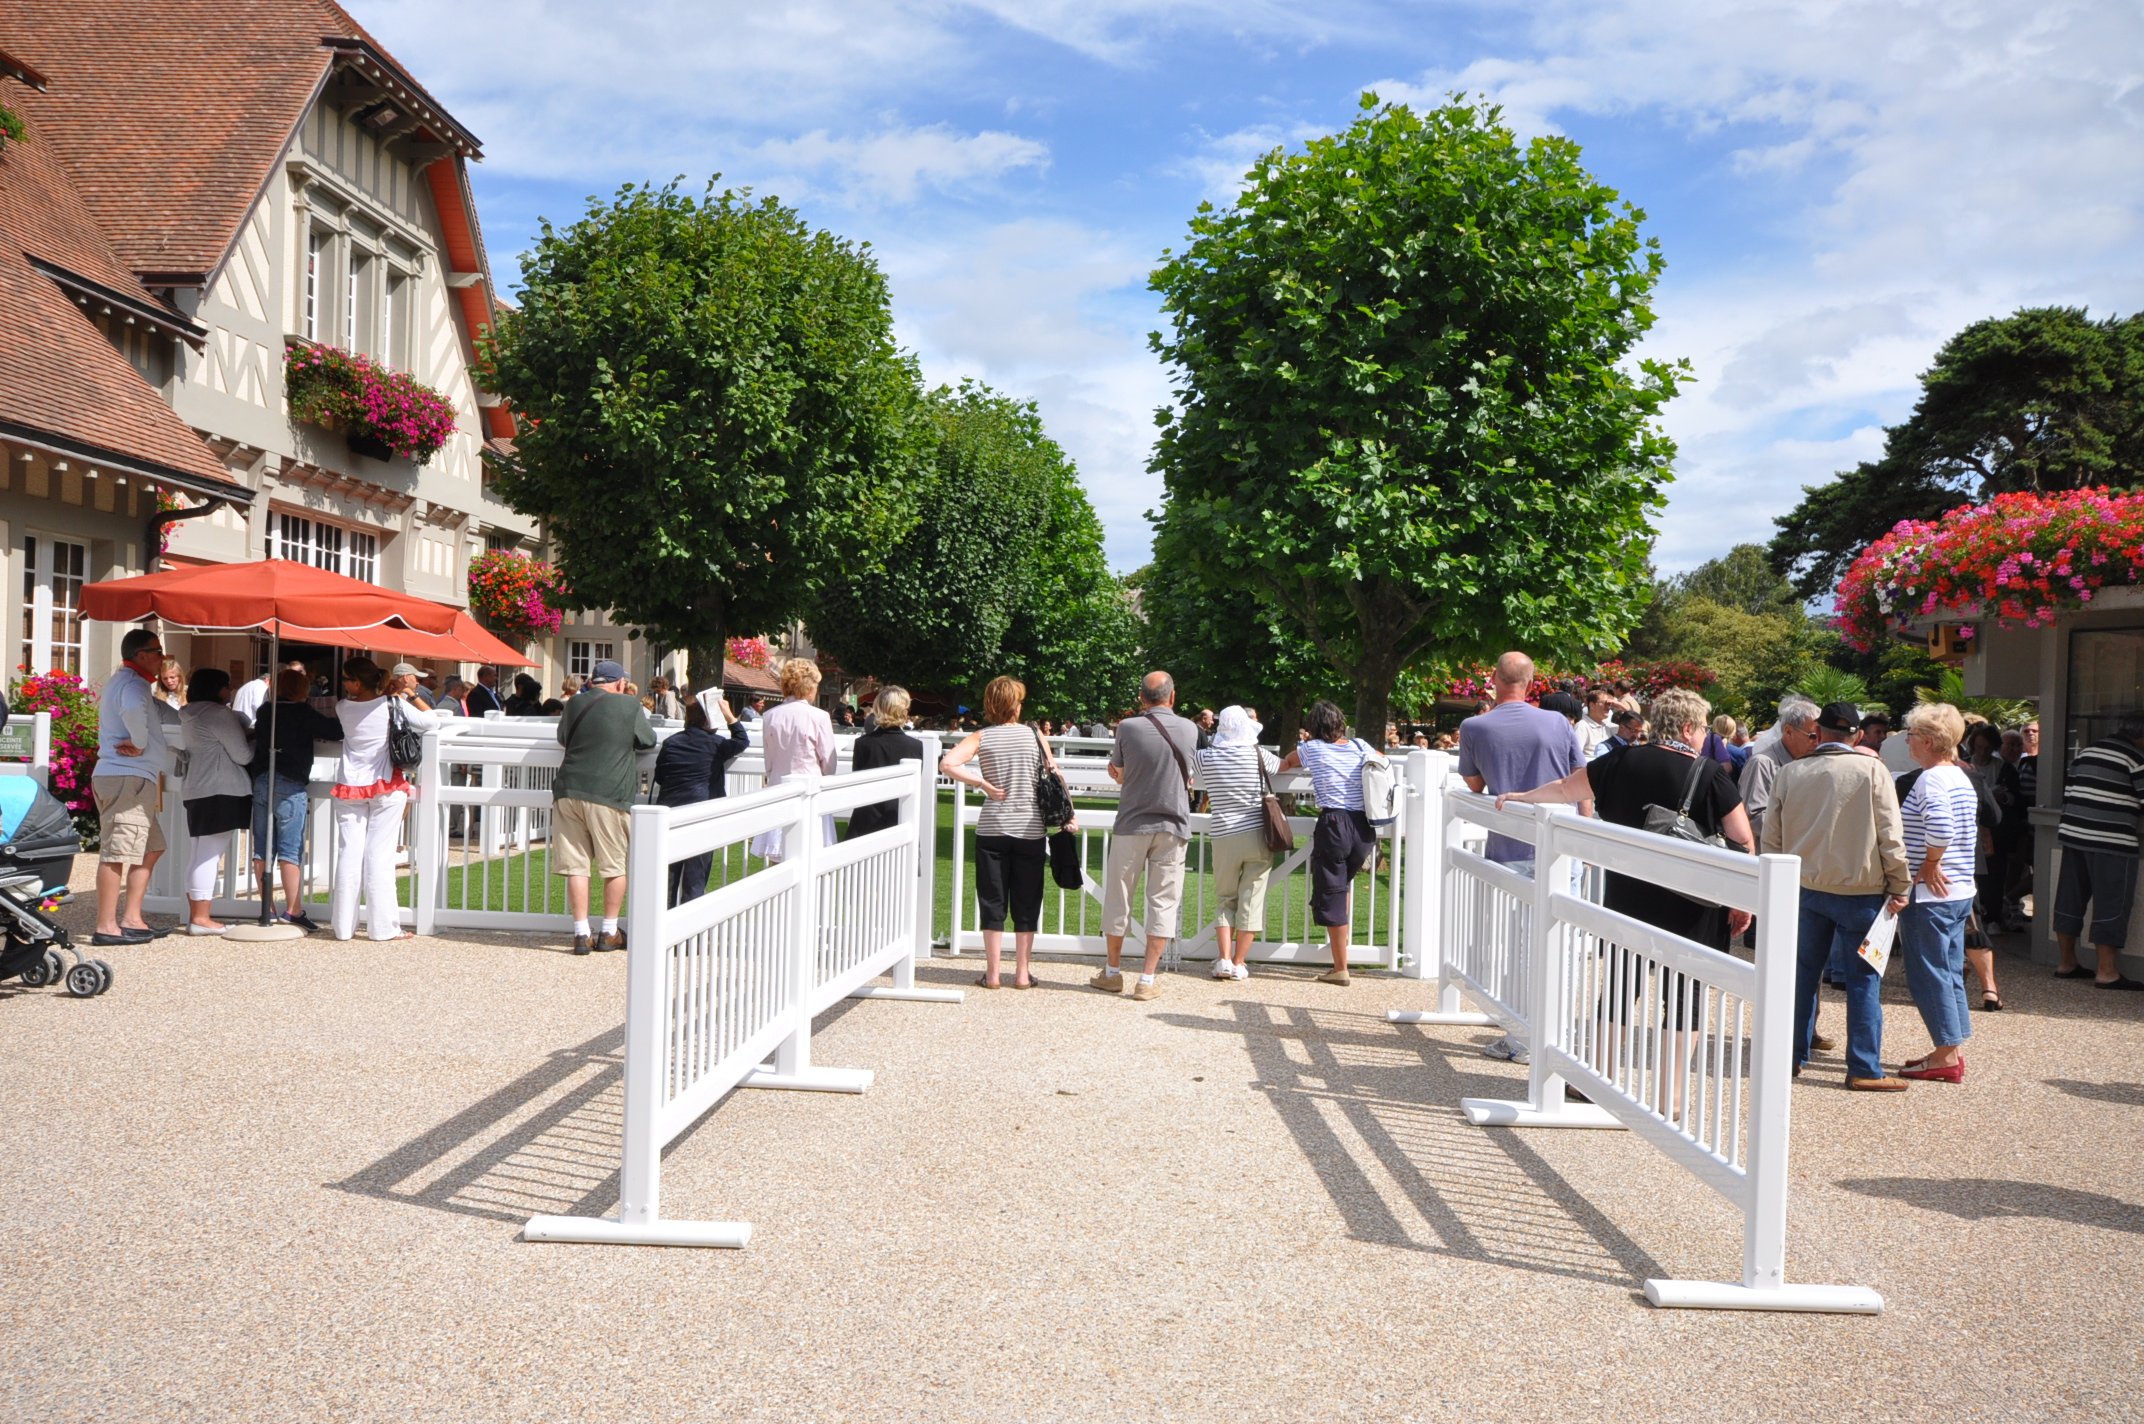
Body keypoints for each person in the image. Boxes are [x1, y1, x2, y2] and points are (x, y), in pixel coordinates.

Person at [1497, 688, 1754, 1117]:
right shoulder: (1710, 775)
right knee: (1685, 994)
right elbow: (1743, 839)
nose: (1703, 736)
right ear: (1688, 727)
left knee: (1619, 986)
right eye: (1702, 728)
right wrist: (1741, 899)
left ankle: (1595, 1078)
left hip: (1628, 894)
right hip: (1693, 903)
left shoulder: (1619, 760)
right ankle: (1670, 1097)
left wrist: (1521, 796)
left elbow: (1565, 790)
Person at [1763, 700, 1911, 1091]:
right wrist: (1900, 884)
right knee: (1863, 980)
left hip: (1805, 888)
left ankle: (1788, 1056)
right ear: (1858, 735)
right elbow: (1890, 836)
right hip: (1860, 890)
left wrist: (1777, 885)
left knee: (1801, 975)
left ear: (1819, 733)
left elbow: (1772, 838)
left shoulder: (1790, 773)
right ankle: (1863, 1066)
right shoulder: (1872, 771)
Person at [1453, 652, 1584, 1049]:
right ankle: (1556, 1037)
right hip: (1563, 845)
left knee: (1519, 948)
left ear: (1494, 679)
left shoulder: (1474, 726)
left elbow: (1475, 786)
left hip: (1509, 848)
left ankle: (1523, 1038)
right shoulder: (1559, 722)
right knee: (1562, 945)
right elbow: (1581, 780)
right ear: (1532, 682)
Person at [941, 677, 1067, 990]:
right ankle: (1022, 974)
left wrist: (982, 784)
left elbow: (948, 763)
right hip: (1030, 827)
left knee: (992, 900)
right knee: (1027, 901)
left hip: (993, 827)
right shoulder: (1035, 734)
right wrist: (1069, 814)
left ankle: (994, 974)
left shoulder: (981, 737)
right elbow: (1054, 774)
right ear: (1015, 705)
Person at [1089, 671, 1198, 1001]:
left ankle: (1112, 972)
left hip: (1133, 823)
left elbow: (1120, 774)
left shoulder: (1128, 727)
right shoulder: (1190, 729)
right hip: (1173, 824)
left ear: (1141, 698)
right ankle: (1147, 979)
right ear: (1172, 696)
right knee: (1163, 901)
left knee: (1119, 897)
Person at [1893, 703, 1982, 1082]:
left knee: (1929, 973)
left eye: (1912, 735)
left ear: (1928, 741)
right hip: (1959, 890)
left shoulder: (1931, 780)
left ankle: (1946, 1054)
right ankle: (1950, 1047)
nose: (1908, 742)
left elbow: (1942, 829)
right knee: (1948, 970)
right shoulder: (1959, 776)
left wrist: (1929, 863)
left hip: (1932, 895)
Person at [550, 658, 656, 953]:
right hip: (608, 793)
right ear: (620, 683)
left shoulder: (573, 704)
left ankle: (581, 934)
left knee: (576, 866)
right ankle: (609, 932)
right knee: (613, 866)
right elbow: (647, 740)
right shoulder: (629, 705)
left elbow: (562, 738)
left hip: (568, 789)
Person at [329, 656, 438, 943]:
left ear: (355, 682)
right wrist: (409, 694)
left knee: (349, 854)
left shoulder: (342, 707)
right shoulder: (392, 704)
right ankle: (383, 927)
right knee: (380, 855)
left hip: (350, 784)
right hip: (386, 784)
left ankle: (343, 927)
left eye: (345, 678)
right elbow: (430, 720)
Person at [1276, 699, 1378, 986]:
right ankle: (1340, 958)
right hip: (1364, 827)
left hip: (1335, 823)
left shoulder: (1312, 748)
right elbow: (1381, 759)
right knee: (1341, 887)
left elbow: (1286, 763)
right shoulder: (1360, 747)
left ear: (1313, 726)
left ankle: (1340, 967)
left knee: (1332, 891)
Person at [90, 628, 174, 946]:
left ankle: (132, 918)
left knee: (152, 846)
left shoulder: (127, 681)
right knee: (116, 852)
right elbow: (132, 709)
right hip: (128, 776)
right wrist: (139, 743)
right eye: (156, 651)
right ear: (140, 655)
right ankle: (106, 926)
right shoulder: (133, 685)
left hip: (132, 778)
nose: (161, 657)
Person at [2051, 711, 2144, 989]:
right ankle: (2107, 971)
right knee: (2111, 905)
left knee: (2069, 900)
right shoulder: (2136, 759)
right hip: (2111, 841)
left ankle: (2066, 963)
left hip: (2074, 835)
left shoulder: (2088, 752)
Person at [250, 666, 342, 931]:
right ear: (301, 690)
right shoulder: (302, 712)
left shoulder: (266, 711)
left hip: (262, 779)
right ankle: (293, 909)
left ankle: (266, 908)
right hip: (290, 782)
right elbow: (335, 731)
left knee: (262, 848)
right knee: (290, 850)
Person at [1196, 705, 1278, 981]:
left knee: (1225, 899)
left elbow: (1184, 762)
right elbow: (1283, 766)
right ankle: (1240, 962)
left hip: (1223, 834)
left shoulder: (1208, 757)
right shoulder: (1258, 754)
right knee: (1251, 900)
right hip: (1257, 833)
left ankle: (1223, 959)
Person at [176, 668, 254, 935]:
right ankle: (201, 918)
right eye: (227, 686)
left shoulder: (187, 713)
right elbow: (243, 755)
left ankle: (196, 914)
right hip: (221, 788)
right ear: (217, 688)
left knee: (199, 853)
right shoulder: (217, 714)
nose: (230, 690)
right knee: (209, 856)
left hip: (196, 787)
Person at [652, 694, 748, 906]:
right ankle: (688, 932)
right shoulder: (716, 744)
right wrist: (730, 716)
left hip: (671, 815)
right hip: (702, 815)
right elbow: (742, 740)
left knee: (667, 877)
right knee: (695, 878)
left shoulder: (671, 743)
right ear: (709, 719)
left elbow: (660, 777)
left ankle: (662, 926)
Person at [757, 660, 837, 864]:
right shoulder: (819, 716)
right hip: (810, 789)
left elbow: (769, 761)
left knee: (779, 860)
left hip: (779, 789)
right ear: (809, 686)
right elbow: (829, 762)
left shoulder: (769, 715)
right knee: (812, 856)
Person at [1738, 695, 1820, 843]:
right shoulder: (1762, 764)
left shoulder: (1811, 762)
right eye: (1813, 736)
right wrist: (1802, 833)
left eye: (1821, 737)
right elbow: (1754, 818)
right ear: (1788, 731)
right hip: (1769, 858)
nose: (1818, 743)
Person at [848, 686, 924, 842]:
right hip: (900, 818)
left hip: (866, 819)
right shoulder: (915, 746)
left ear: (878, 708)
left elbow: (858, 780)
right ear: (904, 710)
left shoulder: (863, 744)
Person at [1578, 689, 1617, 760]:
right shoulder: (1582, 726)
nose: (1608, 707)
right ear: (1592, 705)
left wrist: (1620, 705)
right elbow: (1575, 756)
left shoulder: (1609, 726)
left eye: (1609, 704)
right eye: (1605, 703)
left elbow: (1634, 725)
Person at [231, 664, 272, 729]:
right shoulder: (261, 686)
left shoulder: (247, 685)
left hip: (237, 723)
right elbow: (259, 706)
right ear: (267, 679)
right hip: (249, 724)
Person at [152, 655, 186, 725]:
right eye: (165, 678)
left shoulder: (190, 695)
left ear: (180, 677)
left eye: (172, 677)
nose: (169, 681)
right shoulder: (156, 698)